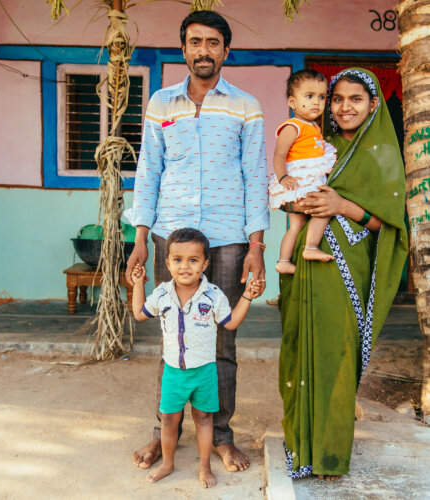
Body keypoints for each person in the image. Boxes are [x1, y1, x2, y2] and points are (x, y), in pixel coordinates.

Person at [125, 10, 269, 473]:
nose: (203, 50)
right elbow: (149, 172)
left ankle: (221, 436)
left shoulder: (245, 106)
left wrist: (257, 245)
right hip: (171, 233)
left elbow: (254, 175)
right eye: (194, 42)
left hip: (228, 237)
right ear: (183, 49)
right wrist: (141, 238)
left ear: (226, 51)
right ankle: (161, 433)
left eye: (212, 42)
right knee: (172, 338)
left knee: (222, 341)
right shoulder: (161, 104)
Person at [279, 68, 407, 480]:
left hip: (347, 267)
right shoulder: (319, 143)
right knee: (302, 351)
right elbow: (290, 193)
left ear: (373, 104)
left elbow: (390, 224)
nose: (344, 107)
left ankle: (331, 454)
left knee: (337, 355)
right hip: (307, 264)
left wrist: (342, 205)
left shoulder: (383, 154)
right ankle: (301, 444)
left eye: (356, 99)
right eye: (337, 99)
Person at [130, 228, 261, 487]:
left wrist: (246, 295)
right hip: (174, 373)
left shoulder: (213, 295)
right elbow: (139, 314)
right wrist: (137, 285)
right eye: (177, 260)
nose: (185, 266)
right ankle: (168, 463)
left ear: (205, 264)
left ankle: (204, 467)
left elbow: (231, 322)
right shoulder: (162, 294)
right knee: (169, 419)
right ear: (167, 263)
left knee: (204, 419)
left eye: (193, 260)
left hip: (204, 373)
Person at [269, 69, 338, 274]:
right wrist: (283, 177)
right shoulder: (293, 126)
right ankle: (310, 247)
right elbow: (279, 155)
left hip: (305, 180)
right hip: (297, 182)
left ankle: (283, 261)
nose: (317, 102)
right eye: (309, 96)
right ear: (292, 102)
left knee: (295, 226)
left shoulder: (313, 126)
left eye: (321, 97)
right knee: (322, 210)